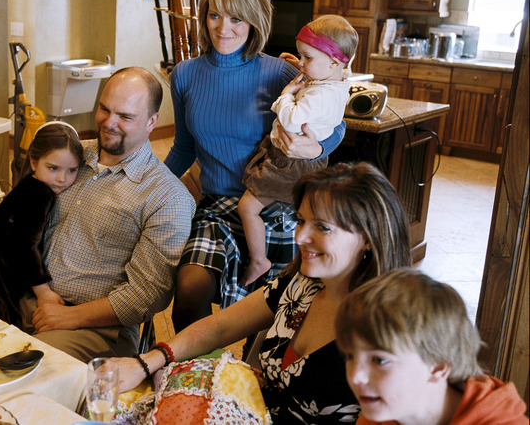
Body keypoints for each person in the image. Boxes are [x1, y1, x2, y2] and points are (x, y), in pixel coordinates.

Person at [114, 162, 413, 424]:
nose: (300, 237)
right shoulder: (300, 285)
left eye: (322, 227)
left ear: (368, 238)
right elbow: (220, 326)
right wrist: (146, 362)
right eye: (301, 221)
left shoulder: (390, 333)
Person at [0, 67, 196, 362]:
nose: (109, 122)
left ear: (152, 121)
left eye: (125, 116)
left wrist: (70, 316)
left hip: (91, 326)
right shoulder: (70, 155)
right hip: (16, 292)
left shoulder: (168, 197)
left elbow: (146, 295)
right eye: (104, 109)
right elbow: (16, 210)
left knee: (22, 369)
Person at [163, 0, 347, 332]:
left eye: (236, 18)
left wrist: (318, 149)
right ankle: (198, 366)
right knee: (189, 288)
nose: (223, 28)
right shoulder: (184, 75)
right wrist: (146, 186)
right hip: (216, 207)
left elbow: (335, 122)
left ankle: (253, 362)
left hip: (277, 206)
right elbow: (183, 148)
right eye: (214, 15)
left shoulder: (281, 73)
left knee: (273, 317)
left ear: (254, 21)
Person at [239, 15, 358, 285]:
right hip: (302, 162)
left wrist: (286, 94)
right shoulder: (335, 82)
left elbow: (292, 119)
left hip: (290, 163)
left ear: (334, 62)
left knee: (246, 207)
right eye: (300, 56)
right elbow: (320, 89)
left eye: (307, 57)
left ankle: (259, 260)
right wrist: (303, 66)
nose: (301, 63)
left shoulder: (319, 95)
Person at [335, 268, 529, 425]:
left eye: (379, 360)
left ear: (437, 366)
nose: (355, 376)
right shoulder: (380, 414)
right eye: (350, 356)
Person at [0, 122, 84, 326]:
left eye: (72, 170)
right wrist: (43, 291)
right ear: (34, 163)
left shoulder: (28, 183)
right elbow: (25, 244)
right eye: (53, 168)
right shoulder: (41, 194)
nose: (62, 178)